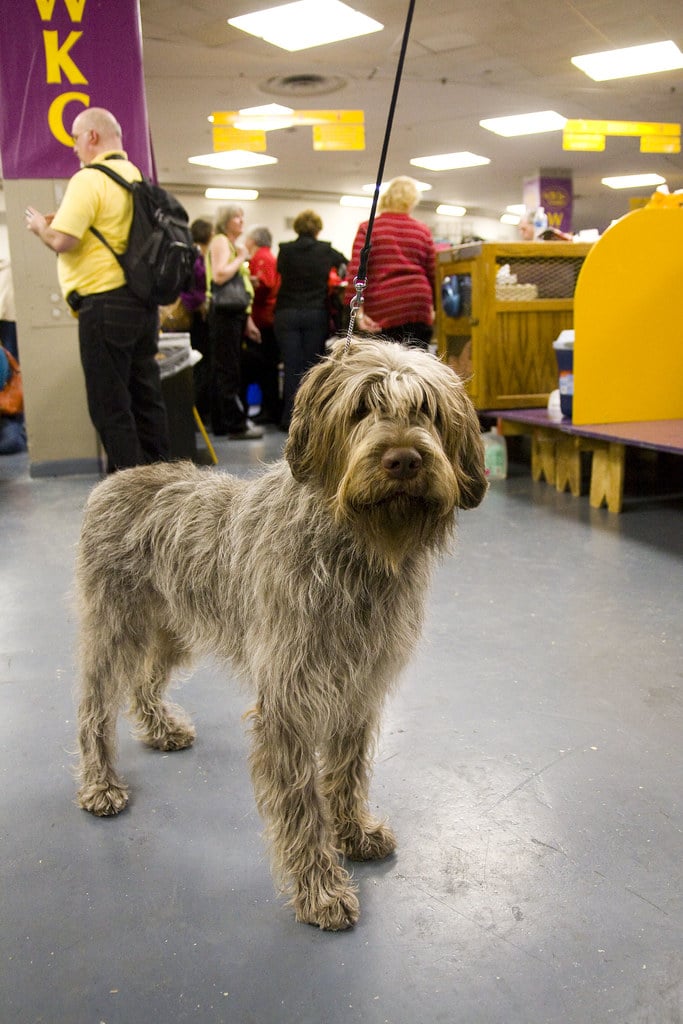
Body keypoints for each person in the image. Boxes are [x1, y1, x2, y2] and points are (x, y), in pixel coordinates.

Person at [25, 107, 170, 473]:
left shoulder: (88, 179)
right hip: (142, 307)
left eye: (75, 138)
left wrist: (39, 229)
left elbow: (63, 240)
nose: (74, 148)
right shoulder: (136, 177)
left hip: (104, 307)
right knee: (146, 399)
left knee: (110, 406)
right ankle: (164, 492)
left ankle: (129, 500)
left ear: (92, 137)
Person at [274, 209, 346, 430]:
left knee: (291, 366)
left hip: (286, 313)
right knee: (313, 369)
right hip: (315, 312)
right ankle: (311, 422)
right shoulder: (325, 250)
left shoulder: (284, 251)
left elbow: (280, 273)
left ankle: (288, 419)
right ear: (317, 228)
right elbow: (347, 265)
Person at [346, 175, 436, 350]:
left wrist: (357, 312)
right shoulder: (422, 230)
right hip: (417, 304)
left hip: (383, 307)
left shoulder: (369, 227)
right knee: (417, 366)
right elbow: (433, 271)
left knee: (383, 366)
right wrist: (435, 308)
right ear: (411, 201)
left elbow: (357, 271)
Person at [207, 205, 262, 439]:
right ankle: (233, 424)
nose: (241, 221)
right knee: (226, 368)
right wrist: (240, 258)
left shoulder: (229, 245)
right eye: (236, 217)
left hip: (235, 314)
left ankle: (231, 420)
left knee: (232, 367)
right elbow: (219, 274)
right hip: (224, 314)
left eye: (242, 216)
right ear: (226, 221)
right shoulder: (220, 241)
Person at [243, 225, 281, 425]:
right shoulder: (265, 256)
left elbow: (265, 284)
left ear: (255, 240)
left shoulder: (262, 257)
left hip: (263, 320)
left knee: (266, 368)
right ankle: (268, 409)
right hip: (265, 318)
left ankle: (269, 410)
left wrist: (245, 284)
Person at [180, 218, 213, 420]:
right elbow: (193, 287)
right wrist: (201, 302)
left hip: (191, 318)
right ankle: (197, 413)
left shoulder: (189, 254)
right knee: (201, 366)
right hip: (195, 317)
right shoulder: (196, 257)